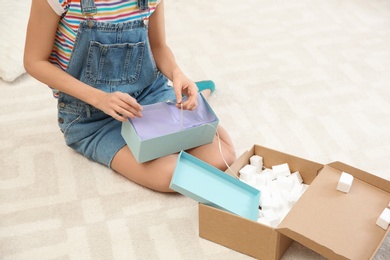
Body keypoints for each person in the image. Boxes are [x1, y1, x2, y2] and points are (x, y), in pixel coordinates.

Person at [24, 0, 236, 192]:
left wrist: (177, 73)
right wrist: (100, 99)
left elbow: (158, 46)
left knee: (223, 155)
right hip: (92, 117)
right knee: (172, 175)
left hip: (148, 96)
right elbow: (34, 61)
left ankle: (191, 96)